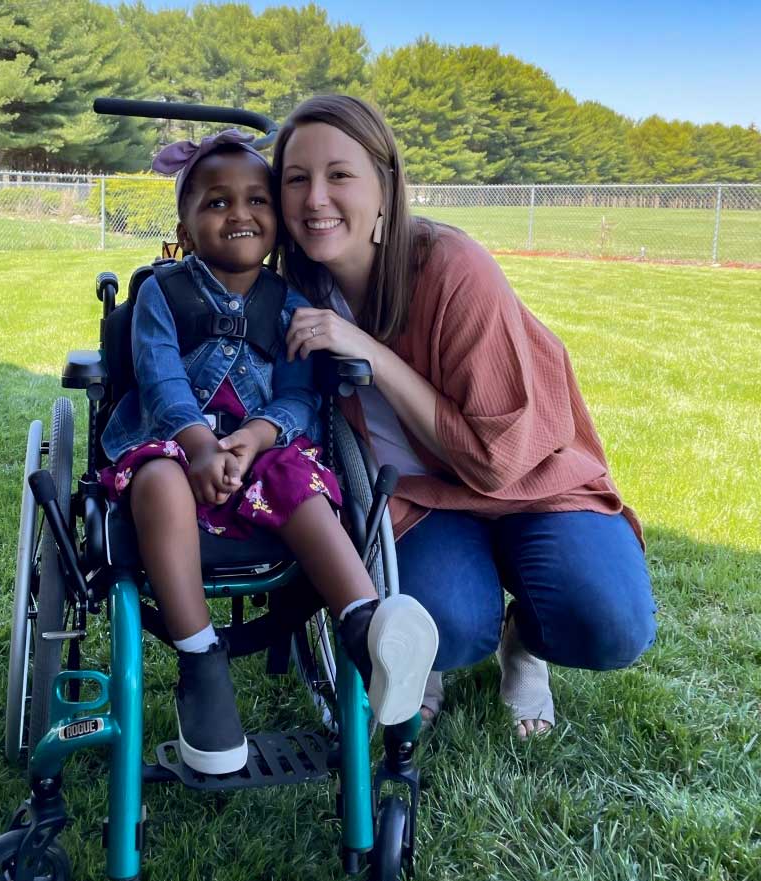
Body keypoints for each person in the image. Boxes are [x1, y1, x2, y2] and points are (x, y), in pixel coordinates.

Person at [273, 95, 657, 738]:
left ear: (387, 186)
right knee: (447, 626)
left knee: (610, 624)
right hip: (423, 498)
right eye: (295, 178)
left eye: (340, 175)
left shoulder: (451, 268)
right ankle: (444, 648)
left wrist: (370, 353)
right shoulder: (296, 288)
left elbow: (495, 459)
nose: (315, 198)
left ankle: (525, 643)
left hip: (529, 481)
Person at [99, 129, 438, 775]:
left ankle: (368, 631)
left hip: (259, 454)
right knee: (160, 478)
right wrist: (199, 443)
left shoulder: (289, 304)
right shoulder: (161, 294)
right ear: (185, 222)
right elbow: (162, 378)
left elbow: (298, 394)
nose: (241, 213)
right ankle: (201, 662)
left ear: (278, 223)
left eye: (257, 200)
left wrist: (256, 436)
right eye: (217, 202)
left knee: (302, 483)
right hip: (171, 447)